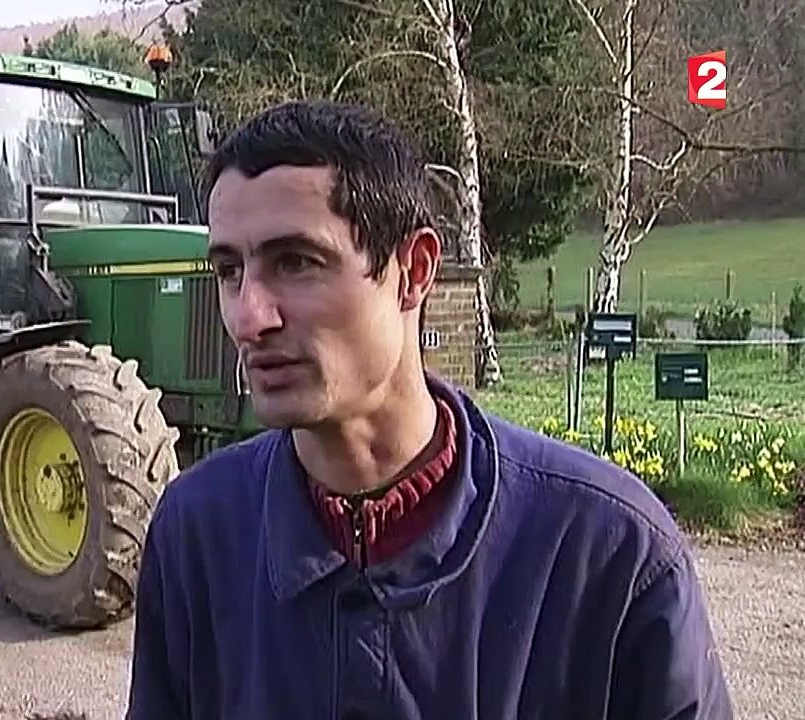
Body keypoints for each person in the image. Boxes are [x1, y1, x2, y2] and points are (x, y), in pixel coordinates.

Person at [125, 100, 733, 719]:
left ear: (414, 270)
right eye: (230, 271)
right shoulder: (196, 533)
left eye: (297, 263)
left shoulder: (610, 553)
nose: (250, 316)